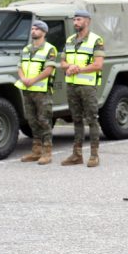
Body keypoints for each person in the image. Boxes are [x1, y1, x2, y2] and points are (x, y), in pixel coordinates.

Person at [60, 9, 105, 168]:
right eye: (74, 20)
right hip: (72, 86)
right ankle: (77, 154)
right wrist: (69, 66)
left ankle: (94, 155)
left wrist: (78, 69)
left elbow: (98, 65)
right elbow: (62, 62)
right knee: (76, 119)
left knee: (92, 119)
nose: (75, 22)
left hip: (87, 86)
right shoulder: (70, 40)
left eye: (79, 19)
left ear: (87, 21)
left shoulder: (96, 40)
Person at [15, 20, 58, 165]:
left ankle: (47, 152)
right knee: (32, 120)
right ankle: (36, 151)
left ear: (44, 32)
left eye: (37, 29)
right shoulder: (26, 49)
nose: (33, 31)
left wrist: (33, 80)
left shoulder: (50, 49)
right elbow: (19, 67)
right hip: (27, 90)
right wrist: (23, 79)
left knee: (44, 121)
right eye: (32, 28)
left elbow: (49, 70)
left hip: (42, 91)